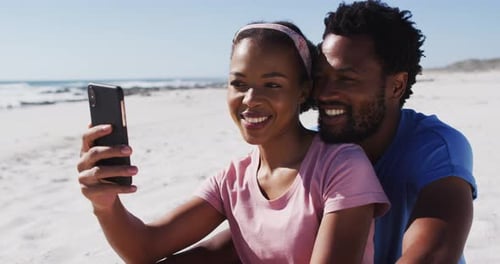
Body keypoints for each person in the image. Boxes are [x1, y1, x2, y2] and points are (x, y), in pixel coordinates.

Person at [165, 1, 478, 263]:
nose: (324, 92)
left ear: (396, 85)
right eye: (321, 76)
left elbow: (435, 251)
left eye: (346, 79)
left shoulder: (435, 146)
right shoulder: (315, 149)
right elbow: (257, 234)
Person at [78, 21, 389, 263]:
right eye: (239, 84)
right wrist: (105, 205)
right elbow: (145, 248)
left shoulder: (342, 166)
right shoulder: (232, 180)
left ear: (303, 90)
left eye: (272, 84)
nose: (251, 100)